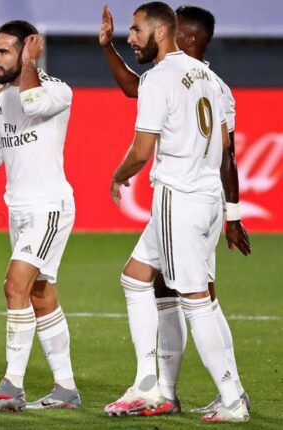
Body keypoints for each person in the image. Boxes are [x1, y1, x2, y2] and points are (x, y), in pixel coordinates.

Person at [99, 3, 251, 415]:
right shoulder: (212, 80)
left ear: (165, 33)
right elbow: (225, 145)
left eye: (136, 30)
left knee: (195, 300)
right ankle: (154, 386)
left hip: (177, 197)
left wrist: (117, 175)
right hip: (207, 198)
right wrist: (230, 212)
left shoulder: (158, 79)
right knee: (136, 278)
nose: (131, 38)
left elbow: (142, 150)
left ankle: (232, 398)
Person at [0, 20, 80, 412]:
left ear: (28, 51)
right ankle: (66, 389)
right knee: (40, 295)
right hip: (20, 211)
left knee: (14, 286)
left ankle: (13, 385)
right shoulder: (0, 97)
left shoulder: (57, 91)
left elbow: (30, 102)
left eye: (4, 51)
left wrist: (29, 66)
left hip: (49, 209)